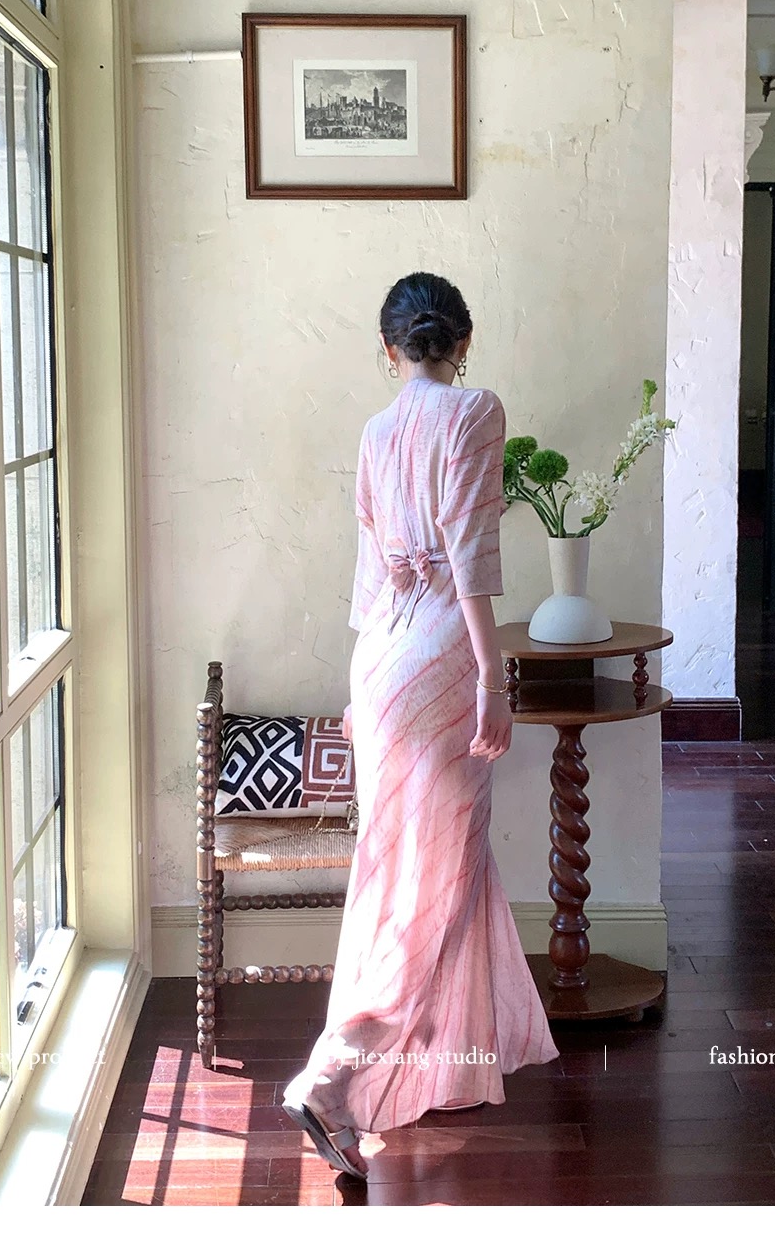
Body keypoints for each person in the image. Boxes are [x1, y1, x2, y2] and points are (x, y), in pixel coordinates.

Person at [281, 272, 559, 1181]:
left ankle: (447, 1067)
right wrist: (493, 678)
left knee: (406, 866)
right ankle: (332, 1078)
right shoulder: (475, 410)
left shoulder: (376, 431)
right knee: (430, 878)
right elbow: (471, 558)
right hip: (441, 659)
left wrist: (361, 690)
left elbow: (370, 571)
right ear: (462, 341)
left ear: (388, 347)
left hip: (382, 662)